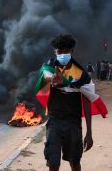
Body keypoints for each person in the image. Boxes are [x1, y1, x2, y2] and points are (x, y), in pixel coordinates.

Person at [35, 34, 94, 171]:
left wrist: (89, 133)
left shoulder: (81, 74)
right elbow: (46, 74)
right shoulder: (49, 66)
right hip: (54, 122)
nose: (62, 54)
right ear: (54, 52)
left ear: (72, 51)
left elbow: (87, 102)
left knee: (75, 163)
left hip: (73, 123)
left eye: (66, 51)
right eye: (59, 52)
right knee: (53, 163)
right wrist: (53, 79)